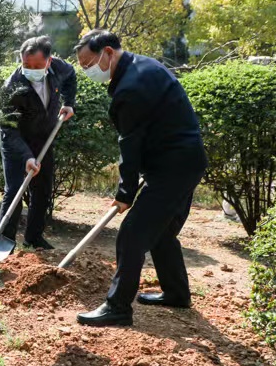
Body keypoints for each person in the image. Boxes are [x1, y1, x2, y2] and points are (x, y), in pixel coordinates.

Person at [74, 29, 207, 327]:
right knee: (161, 231)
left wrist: (125, 193)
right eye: (82, 67)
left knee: (132, 232)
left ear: (108, 52)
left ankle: (118, 307)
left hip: (173, 167)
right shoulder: (145, 65)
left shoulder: (130, 89)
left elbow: (130, 146)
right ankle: (176, 293)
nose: (87, 71)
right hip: (186, 161)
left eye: (88, 63)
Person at [0, 35, 76, 250]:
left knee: (42, 189)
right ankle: (5, 242)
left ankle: (33, 237)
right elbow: (8, 129)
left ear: (49, 61)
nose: (31, 69)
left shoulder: (59, 68)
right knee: (14, 190)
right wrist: (26, 157)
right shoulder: (12, 87)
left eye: (37, 65)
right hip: (16, 141)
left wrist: (69, 103)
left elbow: (71, 76)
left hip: (43, 137)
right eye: (26, 65)